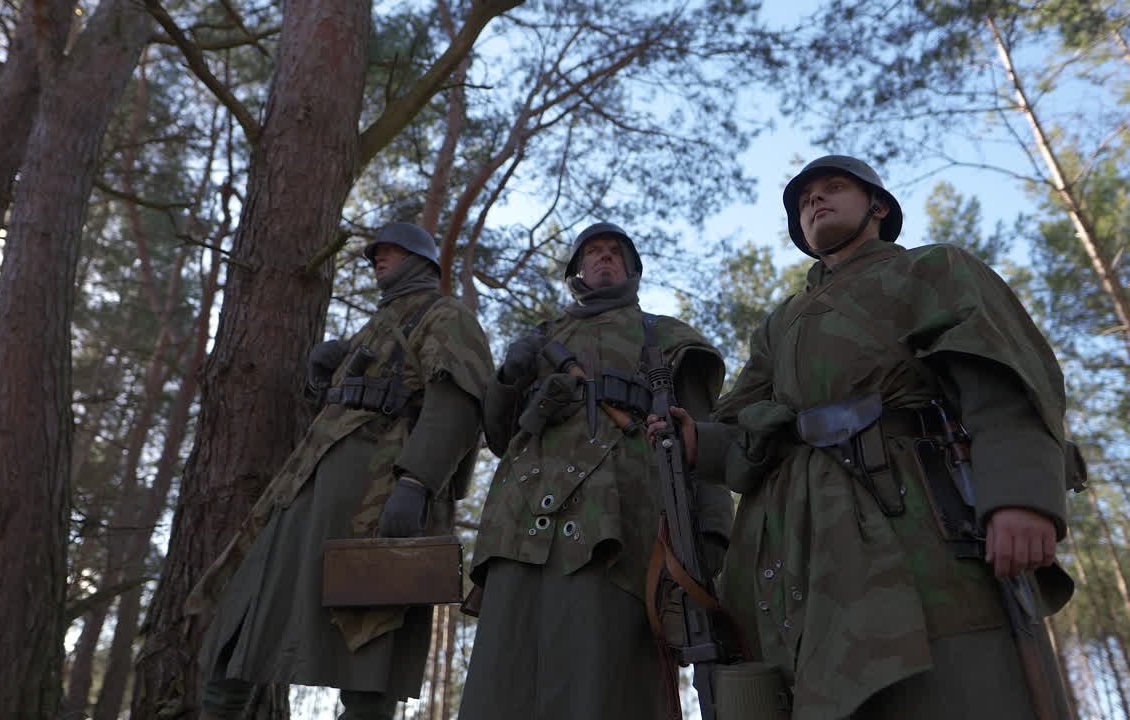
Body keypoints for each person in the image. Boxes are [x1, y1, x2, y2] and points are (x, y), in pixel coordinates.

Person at [666, 155, 1075, 719]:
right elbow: (741, 426)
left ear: (878, 207)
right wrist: (697, 441)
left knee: (956, 680)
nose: (816, 201)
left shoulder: (932, 268)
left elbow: (999, 375)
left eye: (833, 189)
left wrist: (1020, 496)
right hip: (797, 543)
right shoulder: (781, 323)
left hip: (918, 512)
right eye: (805, 199)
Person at [188, 222, 494, 720]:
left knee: (370, 649)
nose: (378, 257)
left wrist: (416, 483)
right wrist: (323, 383)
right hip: (305, 494)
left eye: (390, 251)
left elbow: (458, 400)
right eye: (375, 252)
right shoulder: (374, 327)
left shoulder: (445, 314)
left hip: (377, 499)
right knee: (239, 628)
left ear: (421, 259)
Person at [459, 222, 734, 720]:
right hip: (519, 525)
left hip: (619, 523)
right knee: (503, 678)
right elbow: (501, 438)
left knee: (602, 677)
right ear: (576, 271)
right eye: (593, 253)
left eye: (615, 253)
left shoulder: (665, 336)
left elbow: (701, 438)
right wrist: (508, 377)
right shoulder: (543, 339)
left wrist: (713, 540)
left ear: (631, 269)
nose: (604, 258)